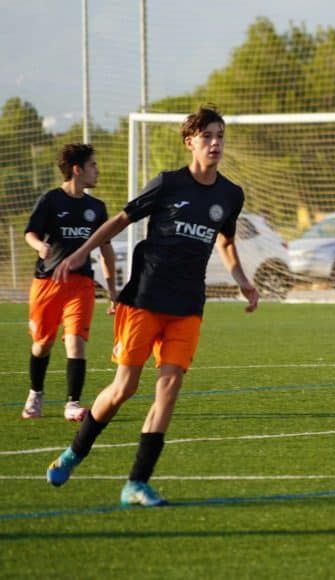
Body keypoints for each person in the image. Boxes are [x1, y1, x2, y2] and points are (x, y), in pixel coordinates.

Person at [45, 105, 259, 506]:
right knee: (125, 387)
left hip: (188, 304)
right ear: (190, 141)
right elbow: (121, 220)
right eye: (208, 136)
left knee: (170, 388)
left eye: (220, 136)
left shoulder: (231, 195)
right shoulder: (167, 184)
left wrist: (243, 281)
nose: (215, 144)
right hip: (145, 298)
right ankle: (75, 452)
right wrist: (79, 254)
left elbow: (225, 241)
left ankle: (136, 484)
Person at [21, 143, 118, 422]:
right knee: (43, 344)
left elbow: (106, 250)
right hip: (48, 283)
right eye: (93, 166)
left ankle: (72, 404)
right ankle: (35, 394)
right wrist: (40, 246)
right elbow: (30, 233)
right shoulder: (51, 200)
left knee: (76, 342)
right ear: (78, 170)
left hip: (81, 285)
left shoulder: (96, 208)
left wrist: (112, 289)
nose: (97, 171)